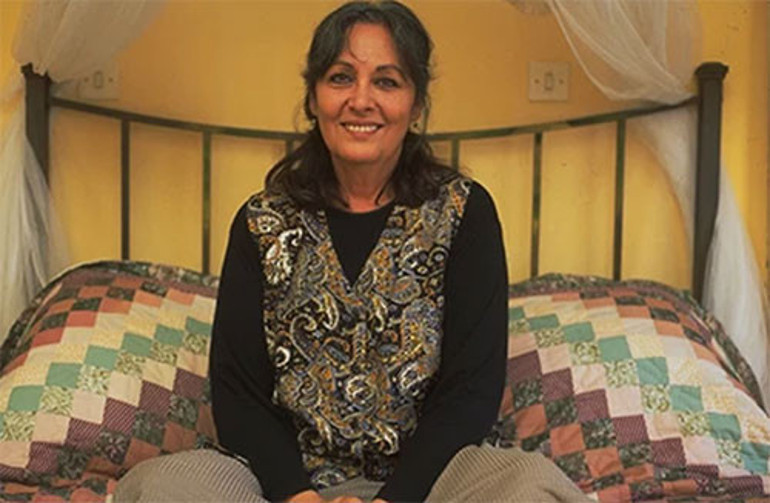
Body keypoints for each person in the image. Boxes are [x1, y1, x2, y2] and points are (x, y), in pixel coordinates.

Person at [114, 2, 588, 502]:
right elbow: (239, 394)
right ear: (313, 98)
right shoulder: (263, 222)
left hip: (433, 482)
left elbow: (469, 391)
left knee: (532, 488)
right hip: (283, 484)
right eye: (341, 78)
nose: (361, 101)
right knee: (162, 487)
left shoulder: (461, 213)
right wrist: (298, 496)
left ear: (417, 105)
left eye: (387, 81)